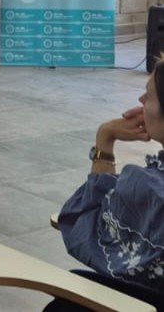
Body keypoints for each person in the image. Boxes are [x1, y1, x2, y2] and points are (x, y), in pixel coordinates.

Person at [44, 58, 164, 312]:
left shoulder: (147, 189)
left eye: (149, 95)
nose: (141, 100)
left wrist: (105, 138)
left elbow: (80, 222)